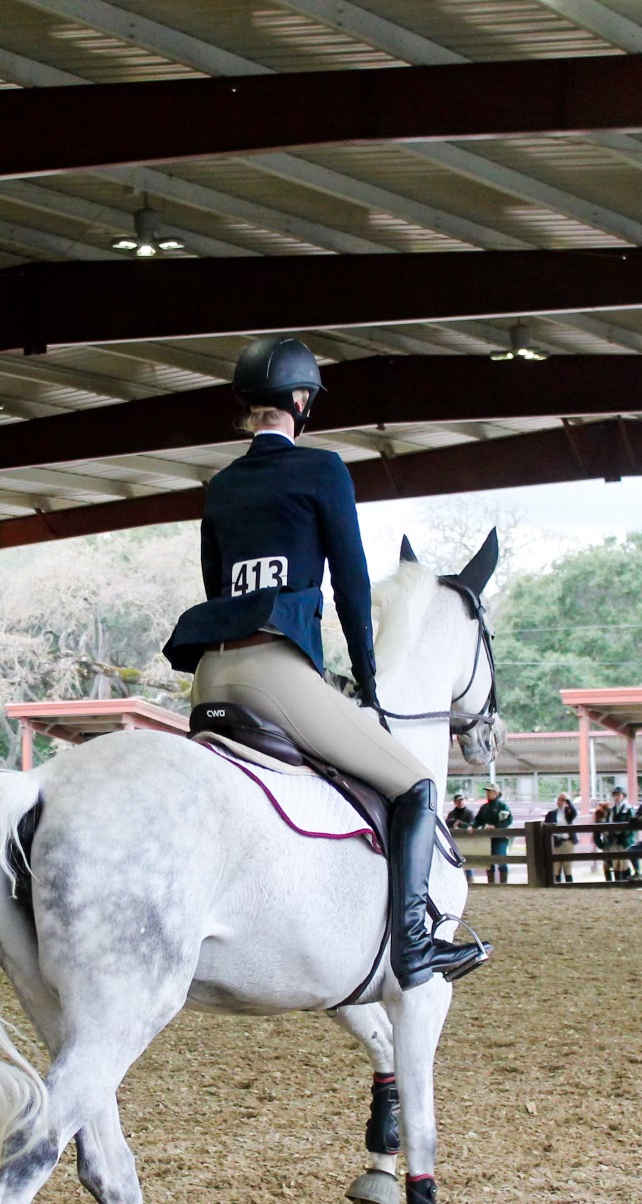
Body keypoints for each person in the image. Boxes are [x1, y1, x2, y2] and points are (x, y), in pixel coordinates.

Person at [162, 337, 484, 990]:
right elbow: (352, 588)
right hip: (273, 673)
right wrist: (367, 684)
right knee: (416, 784)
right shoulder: (323, 469)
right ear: (302, 401)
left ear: (251, 406)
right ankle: (416, 946)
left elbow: (216, 586)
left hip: (209, 681)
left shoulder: (221, 486)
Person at [475, 785, 514, 885]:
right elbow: (477, 820)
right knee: (489, 862)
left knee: (501, 860)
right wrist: (472, 826)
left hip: (500, 839)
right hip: (487, 839)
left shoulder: (502, 806)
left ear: (496, 793)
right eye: (487, 791)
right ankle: (491, 883)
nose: (488, 793)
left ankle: (503, 883)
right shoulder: (484, 807)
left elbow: (508, 820)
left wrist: (496, 826)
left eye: (491, 791)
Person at [603, 786, 638, 881]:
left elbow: (632, 826)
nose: (616, 797)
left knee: (624, 862)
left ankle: (626, 881)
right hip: (614, 839)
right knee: (616, 862)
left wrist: (623, 836)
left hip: (624, 840)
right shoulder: (612, 810)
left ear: (623, 796)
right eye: (615, 795)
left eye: (618, 795)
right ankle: (617, 881)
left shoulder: (628, 809)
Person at [544, 792, 578, 884]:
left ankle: (569, 885)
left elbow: (574, 813)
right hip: (556, 842)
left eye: (562, 800)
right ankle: (557, 884)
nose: (560, 802)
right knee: (556, 866)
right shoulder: (551, 814)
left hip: (567, 841)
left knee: (568, 867)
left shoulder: (568, 812)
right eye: (559, 799)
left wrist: (568, 800)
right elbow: (546, 827)